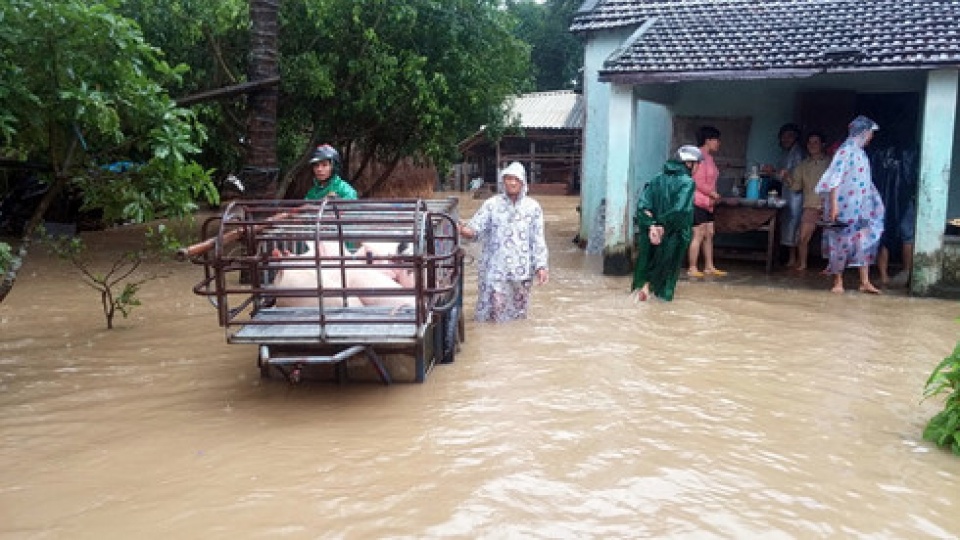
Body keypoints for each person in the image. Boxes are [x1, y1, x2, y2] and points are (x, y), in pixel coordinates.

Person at [457, 162, 549, 322]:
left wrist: (541, 266)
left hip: (522, 270)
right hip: (495, 268)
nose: (512, 182)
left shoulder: (533, 208)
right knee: (495, 309)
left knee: (518, 313)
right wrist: (461, 229)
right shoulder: (492, 204)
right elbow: (475, 229)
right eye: (508, 178)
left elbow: (538, 239)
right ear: (503, 181)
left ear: (523, 182)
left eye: (516, 179)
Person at [815, 115, 885, 294]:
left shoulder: (861, 153)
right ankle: (838, 282)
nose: (871, 136)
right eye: (870, 133)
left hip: (862, 208)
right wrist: (834, 206)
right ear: (863, 132)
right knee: (839, 243)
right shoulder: (844, 151)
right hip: (844, 207)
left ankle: (865, 282)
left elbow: (864, 181)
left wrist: (873, 202)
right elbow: (834, 180)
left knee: (864, 242)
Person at [631, 145, 699, 302]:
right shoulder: (687, 183)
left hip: (650, 234)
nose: (698, 168)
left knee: (644, 268)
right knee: (666, 279)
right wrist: (662, 226)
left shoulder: (656, 179)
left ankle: (642, 292)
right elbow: (680, 210)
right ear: (689, 163)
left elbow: (642, 207)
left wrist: (652, 225)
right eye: (697, 164)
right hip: (674, 236)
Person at [785, 131, 830, 271]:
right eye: (810, 143)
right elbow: (796, 187)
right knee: (803, 238)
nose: (812, 145)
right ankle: (803, 264)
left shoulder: (831, 163)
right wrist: (786, 176)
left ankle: (831, 267)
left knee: (831, 239)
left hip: (829, 206)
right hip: (810, 206)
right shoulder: (802, 166)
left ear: (823, 145)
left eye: (816, 142)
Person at [686, 125, 726, 278]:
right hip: (697, 200)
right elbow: (696, 181)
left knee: (709, 233)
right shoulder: (698, 156)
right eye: (716, 139)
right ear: (707, 140)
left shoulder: (709, 158)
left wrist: (713, 196)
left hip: (708, 203)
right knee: (698, 233)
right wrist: (712, 193)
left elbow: (711, 180)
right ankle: (692, 267)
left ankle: (709, 266)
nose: (718, 143)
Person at [775, 123, 806, 268]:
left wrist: (776, 173)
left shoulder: (797, 153)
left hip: (796, 195)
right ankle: (791, 258)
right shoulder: (788, 153)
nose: (786, 139)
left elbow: (793, 176)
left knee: (794, 226)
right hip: (788, 193)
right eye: (783, 136)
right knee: (789, 226)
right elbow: (783, 175)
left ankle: (794, 259)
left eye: (790, 136)